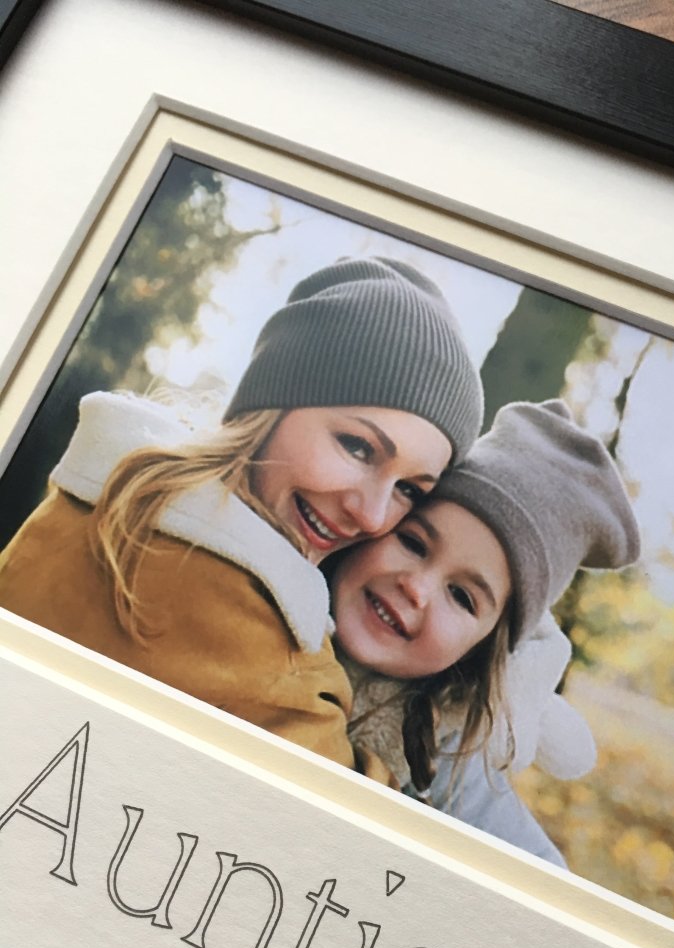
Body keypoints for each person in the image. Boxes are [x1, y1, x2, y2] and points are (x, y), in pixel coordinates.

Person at [0, 258, 483, 774]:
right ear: (272, 402)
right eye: (358, 447)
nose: (370, 513)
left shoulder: (106, 493)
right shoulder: (258, 642)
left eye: (408, 488)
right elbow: (347, 819)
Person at [329, 399, 641, 865]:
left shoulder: (446, 748)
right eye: (413, 543)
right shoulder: (265, 596)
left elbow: (541, 882)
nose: (415, 587)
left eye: (462, 597)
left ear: (482, 647)